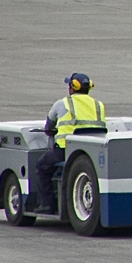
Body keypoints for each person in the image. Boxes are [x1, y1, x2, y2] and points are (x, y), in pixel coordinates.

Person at [36, 73, 106, 214]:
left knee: (41, 167)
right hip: (93, 151)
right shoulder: (98, 105)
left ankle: (47, 204)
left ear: (73, 88)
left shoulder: (62, 103)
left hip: (65, 150)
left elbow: (49, 127)